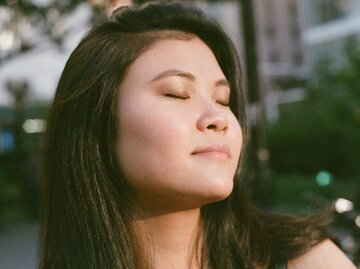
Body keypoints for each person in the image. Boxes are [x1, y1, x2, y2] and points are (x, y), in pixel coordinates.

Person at [39, 1, 356, 268]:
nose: (219, 118)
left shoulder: (306, 261)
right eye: (177, 94)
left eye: (223, 99)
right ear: (97, 124)